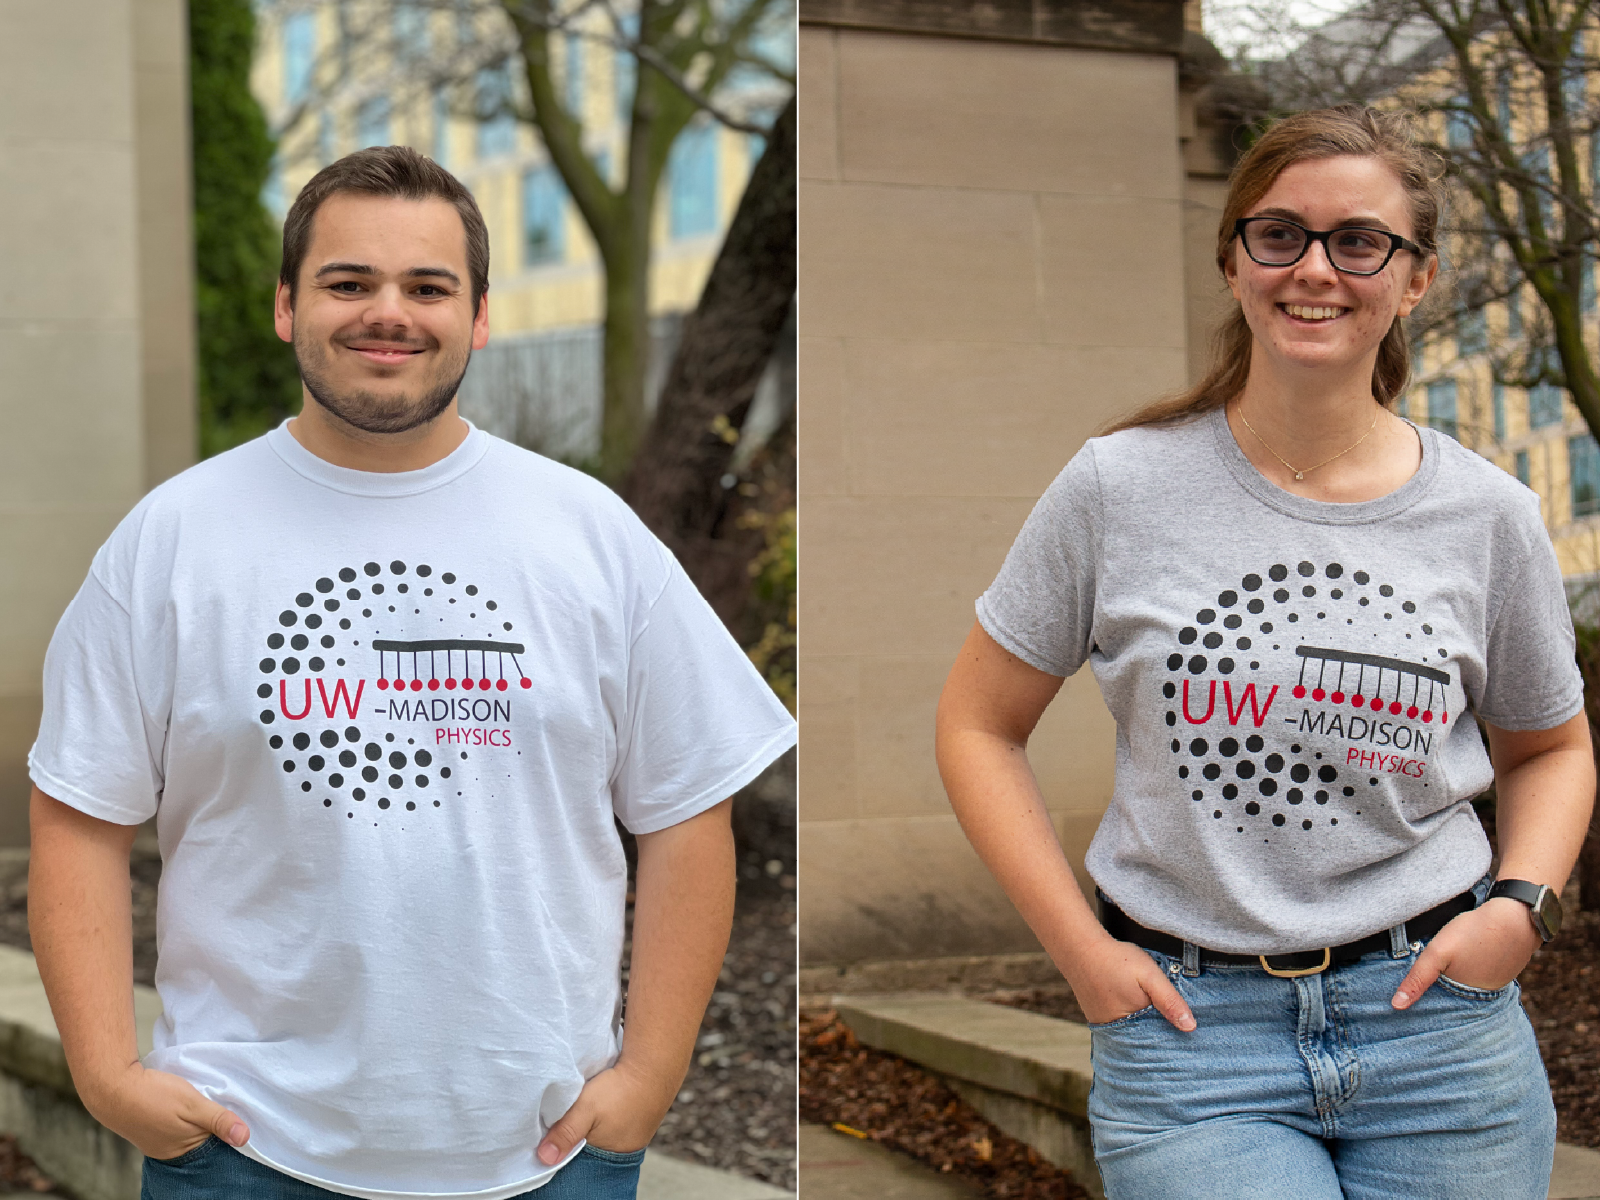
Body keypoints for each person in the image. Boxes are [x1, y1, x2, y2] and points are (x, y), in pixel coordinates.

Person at [27, 146, 796, 1200]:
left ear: (479, 316)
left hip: (544, 1157)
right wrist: (108, 1075)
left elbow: (688, 807)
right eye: (349, 282)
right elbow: (77, 812)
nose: (388, 312)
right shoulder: (170, 542)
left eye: (428, 286)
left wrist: (648, 1077)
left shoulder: (590, 538)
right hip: (244, 1151)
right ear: (286, 307)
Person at [934, 105, 1594, 1199]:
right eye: (1278, 233)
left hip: (1437, 1028)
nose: (1315, 269)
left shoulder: (1487, 514)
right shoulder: (1117, 485)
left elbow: (1551, 750)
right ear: (1234, 260)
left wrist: (1519, 913)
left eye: (1358, 241)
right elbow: (975, 725)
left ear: (1415, 278)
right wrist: (1082, 956)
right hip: (1194, 1040)